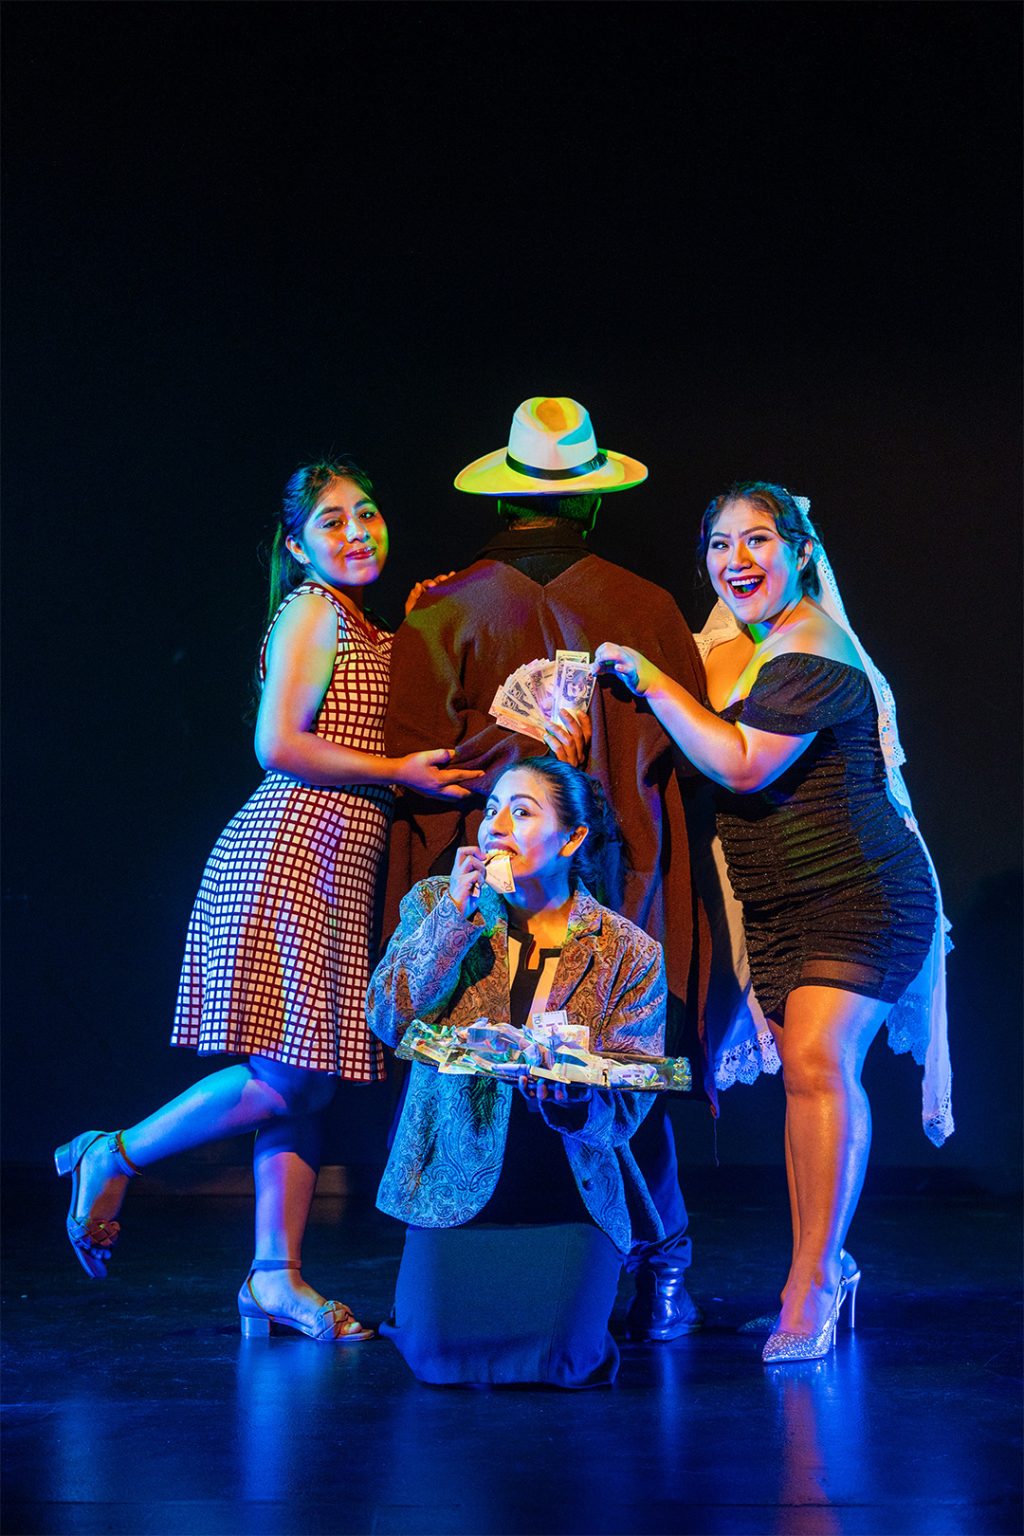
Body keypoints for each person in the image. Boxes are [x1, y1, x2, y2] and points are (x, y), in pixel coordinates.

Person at [55, 458, 479, 1341]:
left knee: (306, 1087)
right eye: (333, 521)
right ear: (296, 545)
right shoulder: (311, 610)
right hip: (289, 853)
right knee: (288, 1081)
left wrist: (423, 617)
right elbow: (276, 743)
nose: (358, 532)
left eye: (368, 513)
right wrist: (398, 772)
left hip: (335, 865)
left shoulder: (357, 619)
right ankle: (116, 1152)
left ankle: (274, 1277)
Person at [595, 481, 952, 1364]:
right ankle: (824, 1264)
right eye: (720, 545)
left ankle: (812, 1284)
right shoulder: (739, 652)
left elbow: (745, 764)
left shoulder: (812, 645)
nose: (737, 560)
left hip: (864, 890)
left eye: (758, 540)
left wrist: (652, 682)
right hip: (782, 904)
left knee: (820, 1065)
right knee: (802, 1078)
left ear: (801, 551)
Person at [382, 396, 711, 1341]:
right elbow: (686, 763)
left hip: (494, 877)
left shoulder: (444, 609)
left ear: (505, 496)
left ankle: (499, 1265)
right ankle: (659, 1270)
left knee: (497, 1064)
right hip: (621, 872)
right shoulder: (644, 605)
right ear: (595, 500)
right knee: (623, 1070)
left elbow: (415, 770)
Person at [366, 756, 667, 1387]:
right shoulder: (439, 904)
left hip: (568, 1185)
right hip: (456, 1177)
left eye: (521, 812)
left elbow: (629, 1101)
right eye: (492, 809)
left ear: (572, 839)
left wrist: (572, 1099)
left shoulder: (628, 950)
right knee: (436, 1358)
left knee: (566, 1360)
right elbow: (389, 1018)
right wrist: (454, 918)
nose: (495, 825)